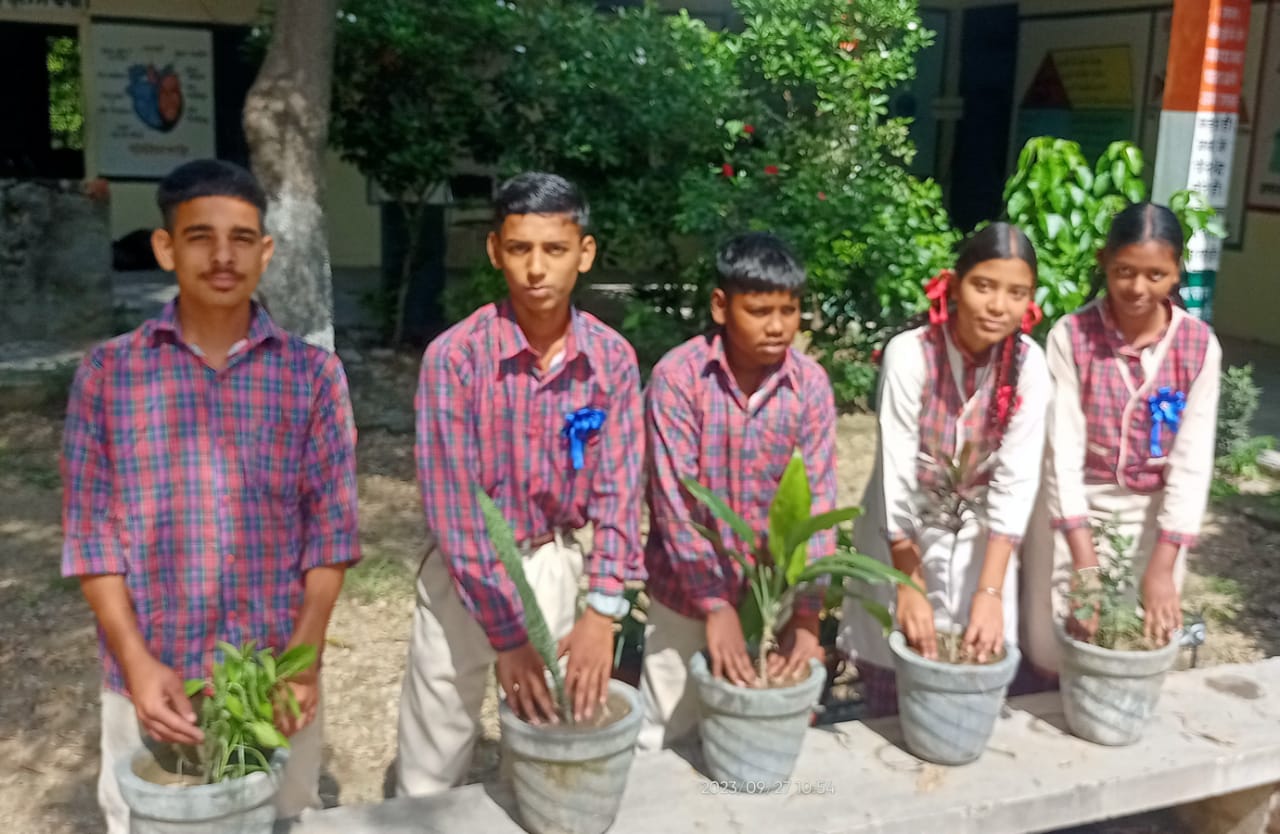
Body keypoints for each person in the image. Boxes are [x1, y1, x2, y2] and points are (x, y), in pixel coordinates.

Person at [61, 159, 359, 832]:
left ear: (266, 250)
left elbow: (332, 534)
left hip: (270, 679)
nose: (223, 256)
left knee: (278, 818)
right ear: (166, 247)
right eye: (200, 236)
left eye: (242, 237)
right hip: (151, 677)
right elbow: (92, 539)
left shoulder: (312, 377)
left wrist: (301, 665)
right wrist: (137, 664)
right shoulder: (109, 376)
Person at [396, 172, 644, 795]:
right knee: (436, 745)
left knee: (549, 744)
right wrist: (510, 636)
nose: (537, 269)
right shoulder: (455, 359)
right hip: (464, 575)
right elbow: (454, 511)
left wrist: (602, 613)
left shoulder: (611, 359)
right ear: (494, 250)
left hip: (554, 563)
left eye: (555, 250)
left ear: (584, 254)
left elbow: (618, 493)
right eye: (519, 249)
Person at [838, 223, 1050, 717]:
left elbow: (1015, 484)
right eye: (984, 286)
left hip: (982, 544)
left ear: (1030, 301)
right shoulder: (910, 355)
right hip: (901, 538)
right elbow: (896, 476)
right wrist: (909, 586)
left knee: (974, 667)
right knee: (894, 669)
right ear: (952, 286)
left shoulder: (1030, 366)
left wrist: (991, 591)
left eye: (1016, 292)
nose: (998, 305)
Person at [637, 232, 837, 750]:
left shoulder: (810, 385)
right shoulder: (678, 379)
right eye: (760, 310)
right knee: (667, 731)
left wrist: (808, 618)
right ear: (721, 306)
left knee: (759, 734)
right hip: (683, 595)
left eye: (789, 310)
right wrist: (714, 605)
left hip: (770, 596)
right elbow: (675, 503)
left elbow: (816, 501)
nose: (777, 326)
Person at [1021, 202, 1221, 678]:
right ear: (1103, 262)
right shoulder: (1073, 337)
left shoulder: (1197, 346)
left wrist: (1162, 565)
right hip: (1073, 510)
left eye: (1156, 274)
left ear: (1176, 274)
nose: (1137, 288)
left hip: (1155, 514)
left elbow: (1192, 463)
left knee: (1140, 637)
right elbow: (1061, 455)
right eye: (1124, 271)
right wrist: (1084, 565)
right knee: (1059, 641)